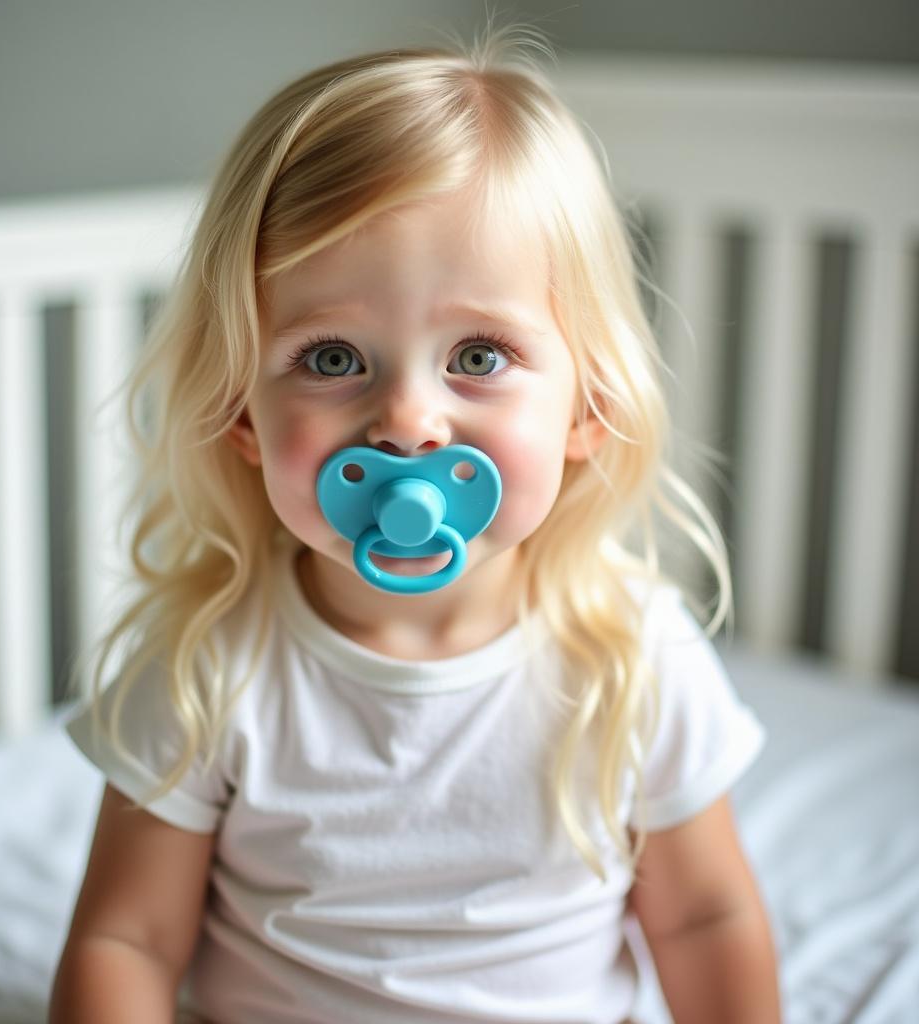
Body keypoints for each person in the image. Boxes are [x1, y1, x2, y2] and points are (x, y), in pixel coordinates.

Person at [50, 23, 781, 1024]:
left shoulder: (630, 657)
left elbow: (704, 922)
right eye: (333, 357)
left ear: (585, 409)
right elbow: (124, 940)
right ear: (239, 412)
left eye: (478, 356)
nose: (406, 423)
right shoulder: (204, 664)